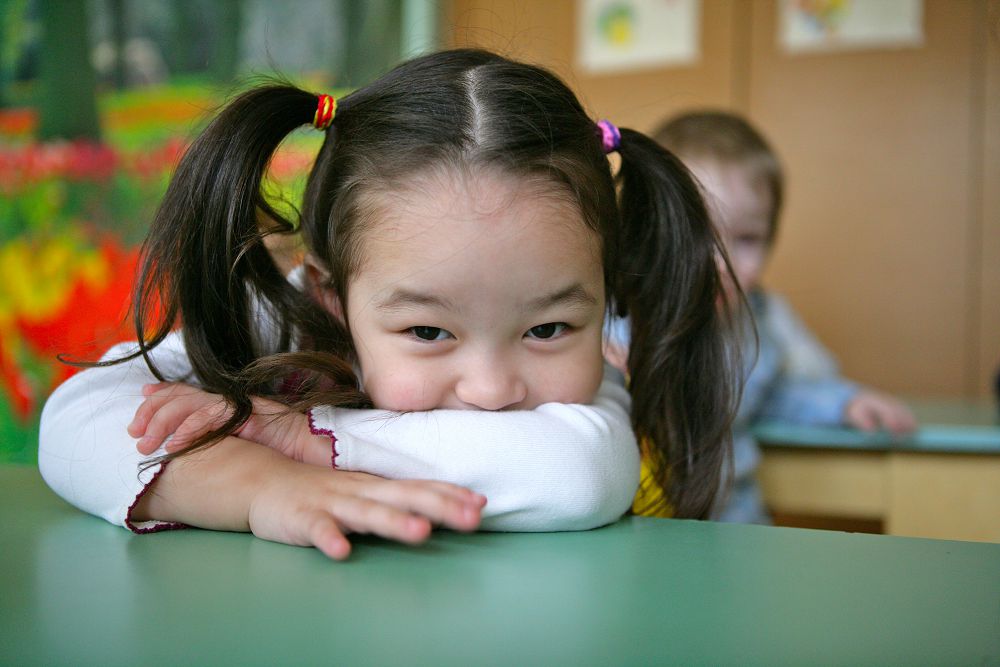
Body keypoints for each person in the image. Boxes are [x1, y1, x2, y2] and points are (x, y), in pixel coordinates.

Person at [39, 50, 739, 559]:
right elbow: (76, 419)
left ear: (605, 294)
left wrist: (306, 440)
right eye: (429, 331)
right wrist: (256, 485)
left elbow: (579, 475)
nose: (492, 389)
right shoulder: (288, 321)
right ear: (332, 298)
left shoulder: (593, 384)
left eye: (548, 328)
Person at [610, 110, 916, 523]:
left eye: (747, 239)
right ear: (645, 230)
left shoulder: (752, 325)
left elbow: (775, 395)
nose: (721, 263)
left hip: (733, 518)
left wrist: (845, 403)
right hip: (636, 524)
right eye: (697, 232)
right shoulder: (611, 319)